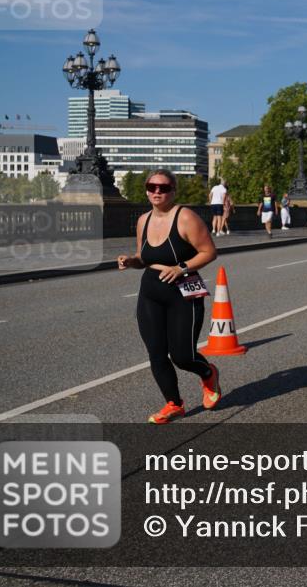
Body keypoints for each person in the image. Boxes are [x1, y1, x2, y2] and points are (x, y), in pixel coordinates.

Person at [117, 170, 221, 424]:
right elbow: (144, 257)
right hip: (151, 290)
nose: (156, 192)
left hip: (183, 290)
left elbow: (209, 252)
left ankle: (208, 373)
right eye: (151, 187)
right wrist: (132, 261)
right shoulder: (143, 220)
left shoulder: (186, 217)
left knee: (183, 356)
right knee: (156, 352)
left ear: (173, 191)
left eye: (163, 188)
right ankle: (174, 404)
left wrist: (181, 268)